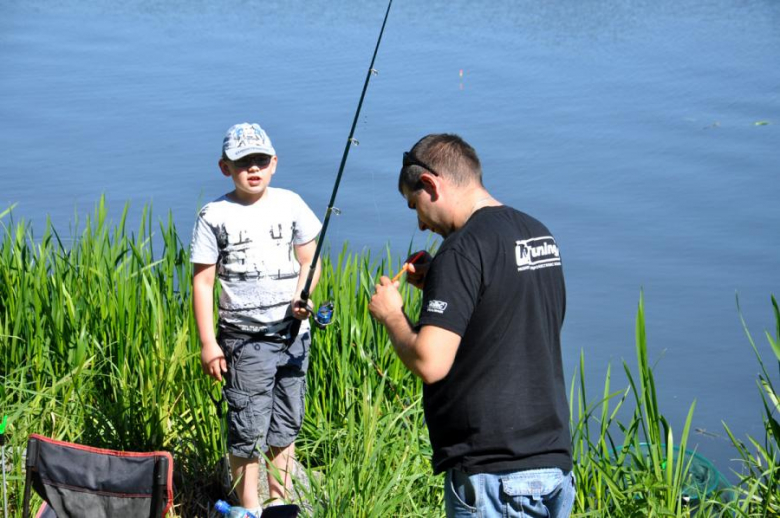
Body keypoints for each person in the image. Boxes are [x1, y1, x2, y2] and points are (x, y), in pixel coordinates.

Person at [368, 133, 575, 517]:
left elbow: (430, 363)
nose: (422, 224)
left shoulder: (461, 250)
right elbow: (514, 322)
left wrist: (391, 314)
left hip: (494, 475)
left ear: (431, 184)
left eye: (415, 205)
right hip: (553, 465)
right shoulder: (538, 234)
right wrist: (438, 286)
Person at [190, 122, 322, 514]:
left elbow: (309, 262)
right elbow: (203, 283)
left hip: (293, 334)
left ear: (274, 163)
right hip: (244, 340)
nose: (253, 169)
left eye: (261, 160)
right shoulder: (214, 215)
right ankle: (249, 506)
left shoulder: (291, 203)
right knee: (247, 427)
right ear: (224, 167)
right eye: (243, 162)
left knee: (286, 422)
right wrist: (208, 343)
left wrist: (304, 295)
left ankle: (278, 502)